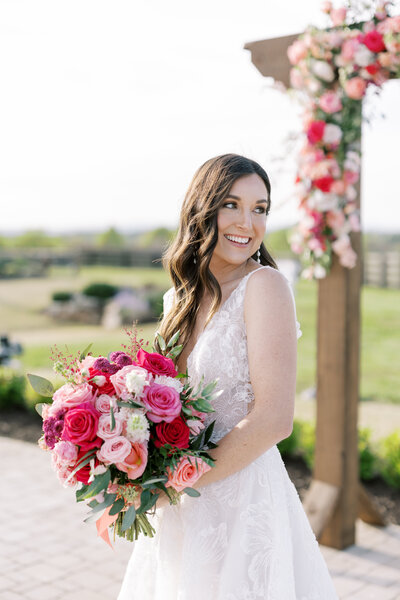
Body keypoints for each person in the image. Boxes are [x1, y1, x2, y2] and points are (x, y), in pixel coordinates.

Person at [118, 153, 338, 599]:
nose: (247, 222)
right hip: (181, 507)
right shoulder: (177, 299)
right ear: (204, 208)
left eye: (260, 209)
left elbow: (275, 418)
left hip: (242, 502)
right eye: (232, 205)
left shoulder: (265, 287)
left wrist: (175, 483)